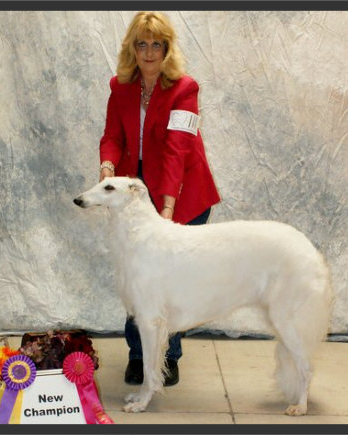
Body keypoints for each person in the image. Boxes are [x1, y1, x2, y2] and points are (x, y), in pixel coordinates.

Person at [98, 11, 221, 386]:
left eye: (156, 44)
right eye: (142, 44)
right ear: (132, 49)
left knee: (172, 281)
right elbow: (113, 136)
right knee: (138, 278)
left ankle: (168, 356)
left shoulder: (185, 88)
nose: (149, 52)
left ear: (167, 49)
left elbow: (177, 150)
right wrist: (107, 165)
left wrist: (166, 206)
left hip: (182, 191)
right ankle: (139, 355)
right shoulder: (120, 87)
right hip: (136, 196)